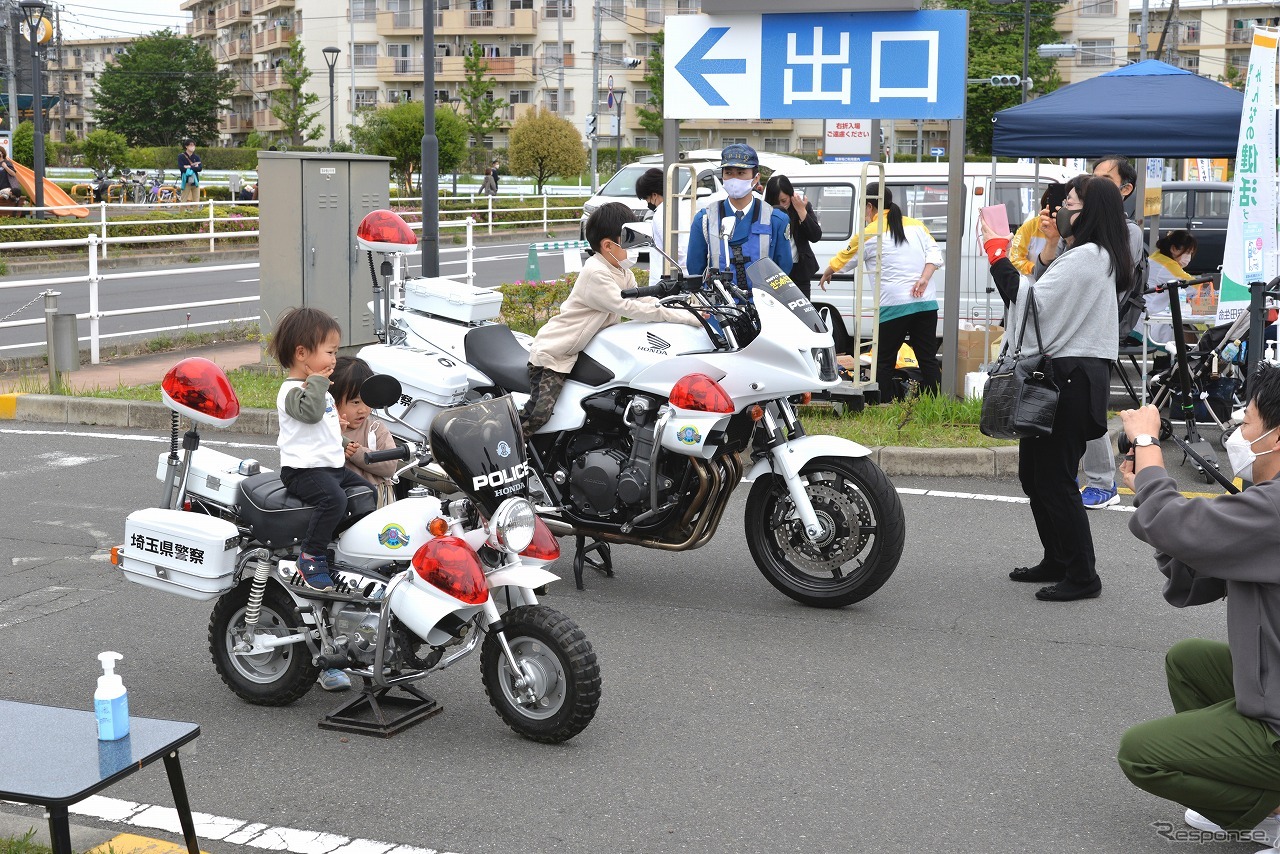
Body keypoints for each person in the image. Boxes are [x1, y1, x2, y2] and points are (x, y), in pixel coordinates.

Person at [1116, 366, 1280, 849]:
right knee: (1189, 661)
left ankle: (1269, 804)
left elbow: (1177, 523)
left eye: (1247, 422)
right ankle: (1265, 802)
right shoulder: (1267, 502)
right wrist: (1148, 501)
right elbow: (1199, 553)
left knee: (1141, 754)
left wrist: (1147, 442)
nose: (1236, 434)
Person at [978, 175, 1130, 601]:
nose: (1061, 209)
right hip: (1063, 376)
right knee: (1035, 476)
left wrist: (996, 252)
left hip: (1069, 379)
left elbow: (1033, 305)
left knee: (1056, 479)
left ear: (1088, 213)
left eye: (1069, 202)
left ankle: (1083, 575)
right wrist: (1047, 246)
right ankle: (1057, 559)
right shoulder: (1084, 255)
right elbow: (1045, 293)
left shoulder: (1088, 257)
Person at [521, 202, 702, 438]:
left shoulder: (621, 270)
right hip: (554, 354)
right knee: (538, 415)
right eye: (629, 240)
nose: (636, 247)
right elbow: (629, 307)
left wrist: (686, 310)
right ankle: (505, 449)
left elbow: (646, 302)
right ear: (608, 245)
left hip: (581, 353)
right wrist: (684, 318)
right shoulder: (596, 272)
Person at [1040, 156, 1145, 510]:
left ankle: (1102, 481)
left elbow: (1103, 283)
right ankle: (1072, 474)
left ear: (1124, 189)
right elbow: (1047, 284)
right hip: (1067, 334)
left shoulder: (1125, 233)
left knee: (1090, 408)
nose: (1091, 182)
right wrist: (1054, 241)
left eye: (1102, 178)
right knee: (1069, 410)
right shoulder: (1078, 238)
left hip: (1094, 332)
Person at [266, 307, 373, 592]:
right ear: (302, 354)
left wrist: (341, 439)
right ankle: (310, 554)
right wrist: (317, 383)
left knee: (366, 494)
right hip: (303, 470)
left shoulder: (319, 389)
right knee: (334, 501)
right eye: (330, 352)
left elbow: (320, 427)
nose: (334, 359)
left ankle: (330, 542)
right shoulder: (291, 391)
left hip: (330, 466)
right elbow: (311, 415)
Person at [817, 183, 943, 399]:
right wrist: (924, 278)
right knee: (927, 358)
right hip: (925, 303)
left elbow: (844, 258)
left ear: (869, 206)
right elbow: (935, 254)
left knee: (884, 358)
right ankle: (937, 403)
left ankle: (882, 403)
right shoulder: (917, 225)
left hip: (894, 305)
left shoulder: (868, 233)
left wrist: (827, 272)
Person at [685, 143, 793, 293]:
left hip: (762, 309)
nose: (734, 179)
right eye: (728, 173)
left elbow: (783, 270)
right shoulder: (705, 220)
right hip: (719, 309)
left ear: (756, 178)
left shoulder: (776, 220)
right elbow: (695, 269)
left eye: (741, 173)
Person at [330, 356, 398, 508]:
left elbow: (390, 466)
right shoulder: (325, 431)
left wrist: (356, 452)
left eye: (367, 401)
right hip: (343, 502)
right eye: (355, 402)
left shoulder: (375, 429)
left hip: (377, 502)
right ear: (331, 400)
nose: (363, 409)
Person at [764, 174, 822, 298]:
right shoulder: (764, 212)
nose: (781, 205)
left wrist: (801, 211)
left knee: (802, 313)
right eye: (776, 202)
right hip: (775, 270)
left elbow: (815, 235)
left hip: (800, 271)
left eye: (784, 201)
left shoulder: (801, 207)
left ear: (791, 196)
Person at [1141, 230, 1199, 345]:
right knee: (1188, 335)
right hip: (1149, 321)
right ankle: (1184, 362)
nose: (1189, 258)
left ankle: (1169, 361)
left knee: (1188, 331)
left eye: (1191, 253)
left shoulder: (1157, 258)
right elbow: (1194, 287)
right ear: (1173, 249)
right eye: (1187, 252)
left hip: (1144, 316)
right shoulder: (1167, 266)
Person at [634, 166, 689, 273]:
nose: (647, 203)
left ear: (654, 195)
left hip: (666, 277)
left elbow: (673, 250)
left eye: (646, 198)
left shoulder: (661, 214)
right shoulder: (682, 206)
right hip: (683, 272)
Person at [177, 139, 202, 204]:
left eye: (194, 145)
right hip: (186, 181)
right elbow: (182, 168)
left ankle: (195, 213)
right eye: (191, 145)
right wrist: (194, 167)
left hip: (195, 181)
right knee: (184, 201)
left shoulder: (196, 157)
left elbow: (200, 168)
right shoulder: (181, 156)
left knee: (196, 202)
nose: (193, 147)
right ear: (186, 146)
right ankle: (182, 214)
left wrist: (189, 167)